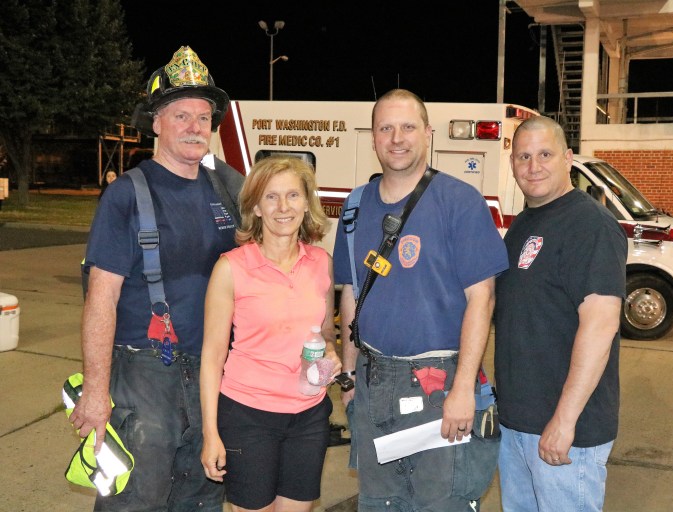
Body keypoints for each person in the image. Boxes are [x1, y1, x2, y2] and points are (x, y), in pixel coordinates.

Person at [68, 46, 243, 511]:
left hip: (211, 371)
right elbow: (100, 299)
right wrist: (96, 392)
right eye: (181, 115)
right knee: (136, 501)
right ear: (157, 123)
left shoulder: (226, 190)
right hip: (144, 374)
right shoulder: (125, 196)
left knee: (202, 498)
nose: (194, 127)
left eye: (203, 117)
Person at [333, 89, 508, 511]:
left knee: (440, 502)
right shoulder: (354, 208)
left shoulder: (460, 201)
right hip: (373, 380)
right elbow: (350, 294)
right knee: (380, 502)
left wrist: (464, 389)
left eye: (408, 127)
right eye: (386, 128)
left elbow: (481, 299)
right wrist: (350, 374)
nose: (397, 138)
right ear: (372, 137)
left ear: (428, 134)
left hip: (440, 381)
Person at [493, 116, 628, 512]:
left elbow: (600, 327)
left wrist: (564, 421)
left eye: (545, 154)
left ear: (568, 158)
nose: (533, 166)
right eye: (523, 156)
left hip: (565, 432)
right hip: (518, 424)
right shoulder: (524, 225)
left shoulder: (591, 225)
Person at [199, 156, 341, 512]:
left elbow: (325, 331)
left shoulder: (321, 262)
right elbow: (213, 357)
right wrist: (210, 433)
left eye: (293, 196)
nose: (283, 207)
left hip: (308, 417)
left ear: (307, 204)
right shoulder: (231, 268)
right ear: (256, 208)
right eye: (271, 197)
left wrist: (330, 351)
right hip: (248, 416)